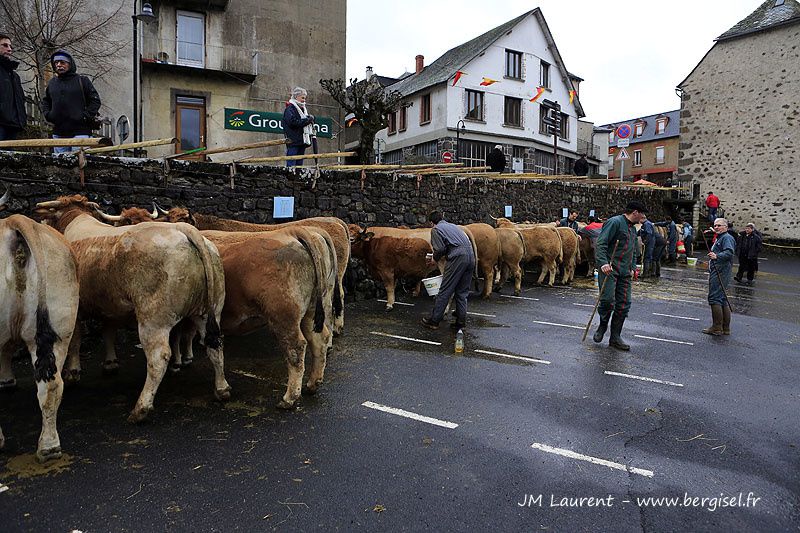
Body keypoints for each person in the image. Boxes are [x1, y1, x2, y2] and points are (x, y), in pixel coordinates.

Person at [593, 201, 648, 350]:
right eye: (642, 213)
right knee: (607, 300)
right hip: (610, 269)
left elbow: (633, 249)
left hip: (625, 272)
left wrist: (633, 266)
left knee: (624, 304)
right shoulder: (615, 222)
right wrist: (603, 262)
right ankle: (602, 327)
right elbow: (601, 243)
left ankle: (615, 337)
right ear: (635, 212)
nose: (644, 217)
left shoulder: (633, 229)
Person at [421, 211, 476, 331]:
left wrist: (434, 259)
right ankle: (460, 322)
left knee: (445, 290)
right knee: (462, 292)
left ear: (431, 223)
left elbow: (440, 248)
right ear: (442, 218)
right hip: (471, 255)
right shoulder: (453, 226)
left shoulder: (436, 229)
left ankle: (434, 321)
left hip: (457, 257)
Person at [41, 50, 101, 153]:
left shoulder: (82, 81)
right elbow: (46, 101)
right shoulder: (52, 83)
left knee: (80, 163)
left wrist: (85, 116)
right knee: (60, 165)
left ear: (70, 64)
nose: (59, 65)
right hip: (59, 132)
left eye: (62, 62)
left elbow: (95, 101)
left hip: (80, 131)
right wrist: (49, 115)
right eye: (56, 63)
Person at [703, 218, 735, 336]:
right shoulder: (721, 237)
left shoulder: (726, 238)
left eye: (719, 225)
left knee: (715, 298)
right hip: (720, 269)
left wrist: (717, 256)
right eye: (715, 225)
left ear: (726, 227)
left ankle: (717, 327)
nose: (716, 227)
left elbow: (729, 252)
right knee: (722, 299)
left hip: (720, 270)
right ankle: (725, 328)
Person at [0, 34, 26, 142]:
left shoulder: (14, 76)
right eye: (5, 45)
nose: (9, 49)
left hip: (13, 125)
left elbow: (20, 100)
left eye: (10, 46)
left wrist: (21, 120)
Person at [282, 87, 315, 167]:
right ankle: (290, 177)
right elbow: (292, 122)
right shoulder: (290, 108)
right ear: (296, 96)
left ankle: (296, 177)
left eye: (305, 98)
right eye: (302, 98)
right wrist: (307, 120)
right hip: (293, 140)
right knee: (292, 162)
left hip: (302, 140)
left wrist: (309, 119)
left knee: (299, 165)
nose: (304, 100)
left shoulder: (303, 109)